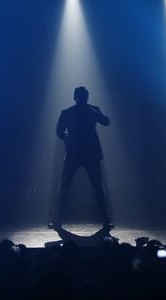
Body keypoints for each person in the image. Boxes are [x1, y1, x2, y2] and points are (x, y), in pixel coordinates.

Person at [49, 87, 113, 230]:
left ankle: (106, 220)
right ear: (75, 97)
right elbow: (59, 131)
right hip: (75, 154)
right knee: (65, 187)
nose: (84, 98)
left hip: (88, 154)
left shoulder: (91, 110)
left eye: (85, 96)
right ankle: (56, 219)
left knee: (96, 187)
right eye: (82, 96)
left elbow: (106, 122)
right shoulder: (67, 112)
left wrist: (95, 112)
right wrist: (65, 138)